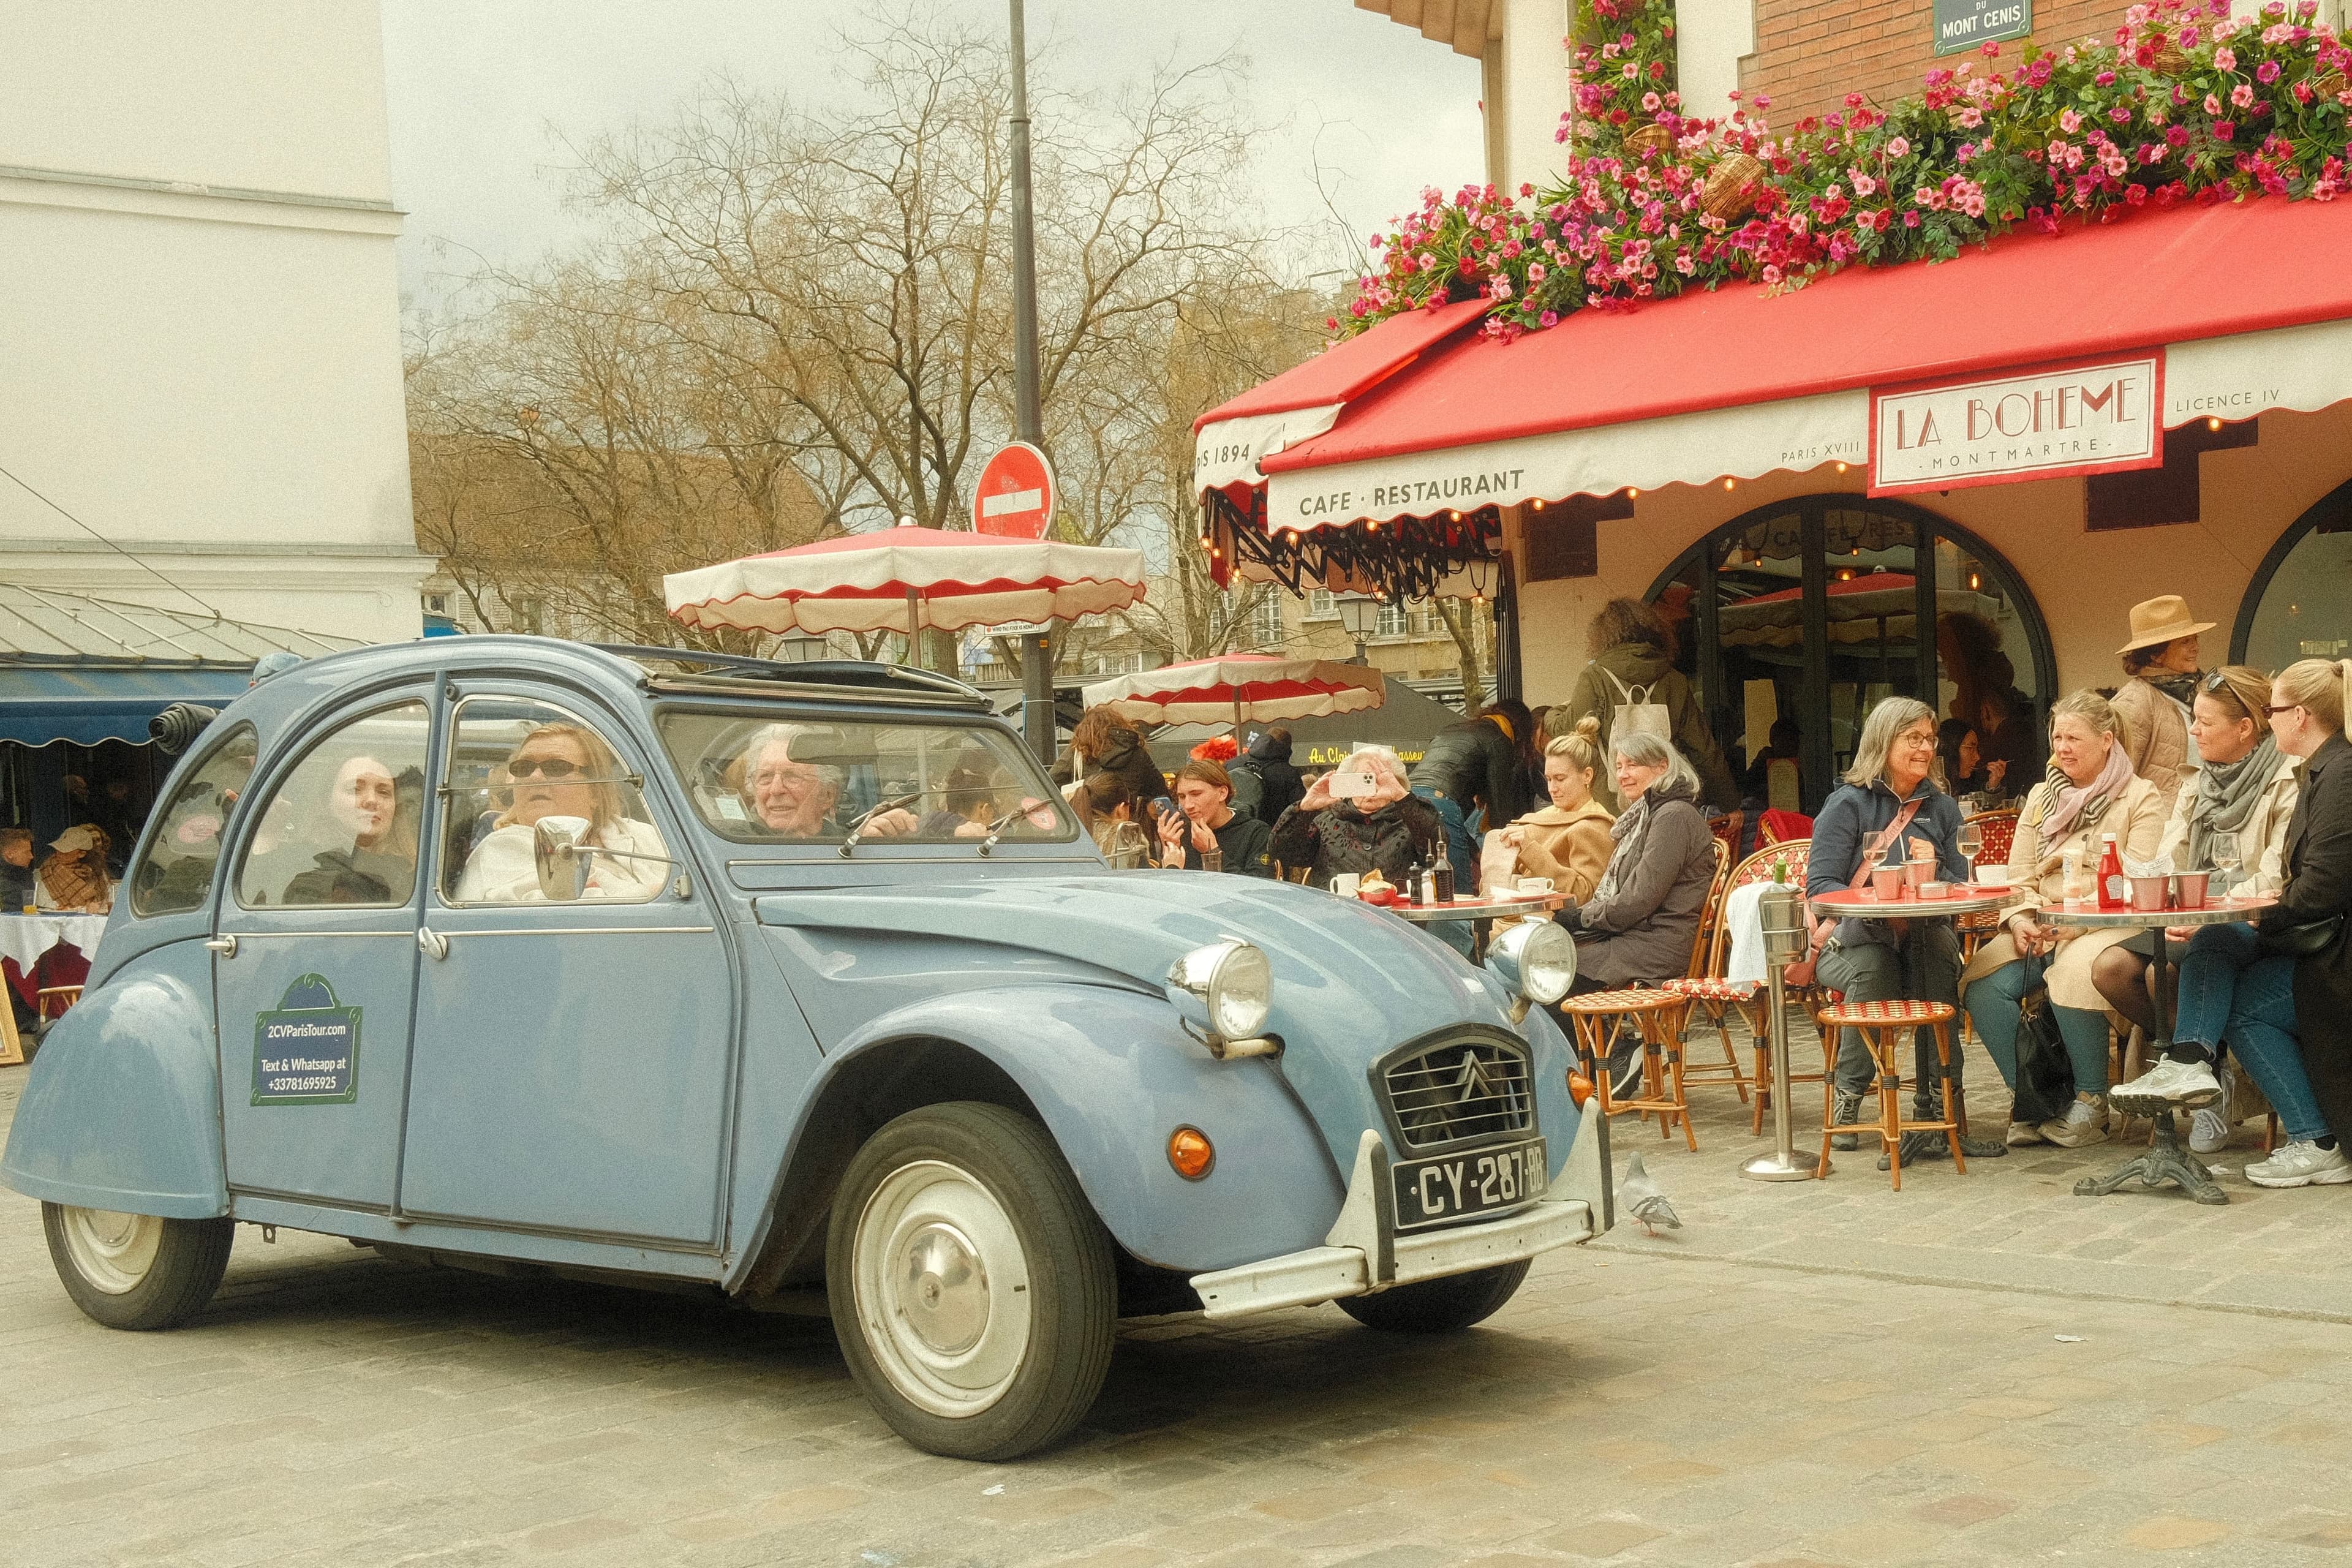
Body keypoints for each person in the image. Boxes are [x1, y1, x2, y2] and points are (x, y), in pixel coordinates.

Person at [2149, 658, 2352, 1187]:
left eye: (2273, 710)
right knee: (2217, 941)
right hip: (2319, 940)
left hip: (2338, 955)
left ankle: (2315, 1139)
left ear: (2300, 716)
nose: (2268, 720)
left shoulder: (2340, 776)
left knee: (2241, 998)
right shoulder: (2325, 769)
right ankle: (2191, 1060)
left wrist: (2259, 915)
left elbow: (2319, 890)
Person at [2097, 666, 2299, 1150]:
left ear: (2245, 728)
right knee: (2110, 969)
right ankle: (2209, 1074)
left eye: (2205, 722)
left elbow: (2274, 874)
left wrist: (2204, 913)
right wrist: (2164, 896)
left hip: (2250, 921)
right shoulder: (2198, 781)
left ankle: (2200, 1080)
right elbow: (2169, 856)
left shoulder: (2285, 780)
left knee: (2159, 975)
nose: (2193, 731)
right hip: (2193, 915)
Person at [1961, 691, 2166, 1148]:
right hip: (2042, 922)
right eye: (2058, 737)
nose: (2063, 748)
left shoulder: (2140, 797)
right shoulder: (2042, 796)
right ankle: (2034, 1098)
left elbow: (2138, 878)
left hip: (2109, 923)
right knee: (1982, 983)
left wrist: (2078, 923)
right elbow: (2018, 875)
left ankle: (2091, 1103)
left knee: (2072, 972)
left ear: (2107, 740)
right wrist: (2019, 921)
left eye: (2074, 737)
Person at [1807, 699, 2000, 1161]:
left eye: (1930, 739)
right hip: (1852, 939)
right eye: (1913, 738)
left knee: (1937, 953)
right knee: (1876, 969)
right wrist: (1880, 892)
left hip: (1924, 932)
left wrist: (1934, 877)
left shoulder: (1944, 808)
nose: (1926, 748)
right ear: (1883, 740)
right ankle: (1850, 1098)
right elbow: (1821, 886)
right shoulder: (1848, 803)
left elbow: (1963, 883)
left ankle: (1941, 1110)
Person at [1553, 729, 1716, 1098]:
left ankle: (1617, 1057)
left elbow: (1640, 898)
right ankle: (1608, 1056)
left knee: (1554, 970)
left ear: (1663, 767)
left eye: (1634, 765)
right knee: (1550, 958)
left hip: (1665, 942)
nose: (1623, 774)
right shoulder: (1647, 814)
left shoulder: (1673, 816)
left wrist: (1580, 918)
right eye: (1620, 765)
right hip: (1643, 933)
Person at [1556, 598, 1738, 813]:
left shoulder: (1595, 677)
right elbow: (1704, 749)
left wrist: (1553, 714)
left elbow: (1570, 730)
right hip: (1664, 800)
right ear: (1654, 632)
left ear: (1602, 637)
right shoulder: (1674, 680)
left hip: (1610, 806)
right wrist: (1730, 804)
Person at [455, 723, 669, 902]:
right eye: (523, 768)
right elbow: (557, 909)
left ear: (595, 790)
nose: (534, 777)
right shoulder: (500, 850)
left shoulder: (646, 835)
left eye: (556, 767)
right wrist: (653, 892)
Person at [1268, 745, 1444, 888]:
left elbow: (1437, 848)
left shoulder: (1410, 819)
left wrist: (1401, 796)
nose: (1371, 786)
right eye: (1364, 778)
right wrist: (1304, 808)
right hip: (1338, 921)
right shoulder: (1326, 822)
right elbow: (1283, 852)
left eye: (1380, 779)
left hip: (1398, 921)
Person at [1410, 699, 1539, 886]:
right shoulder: (1499, 739)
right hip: (1442, 803)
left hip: (1410, 798)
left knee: (1425, 885)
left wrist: (1476, 852)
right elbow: (1500, 811)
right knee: (1457, 889)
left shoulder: (1452, 729)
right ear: (1520, 732)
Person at [1496, 717, 1615, 903]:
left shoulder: (1596, 826)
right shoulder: (1538, 818)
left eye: (1560, 778)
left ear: (1587, 776)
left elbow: (1586, 896)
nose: (1552, 788)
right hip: (1513, 916)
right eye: (1549, 779)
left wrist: (1530, 850)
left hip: (1554, 926)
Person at [2113, 594, 2214, 809]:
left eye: (2195, 639)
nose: (2195, 647)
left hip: (2201, 817)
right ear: (2156, 655)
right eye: (2185, 642)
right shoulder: (2135, 701)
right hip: (2162, 829)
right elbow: (2117, 779)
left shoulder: (2200, 690)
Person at [736, 725, 919, 842]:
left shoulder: (852, 843)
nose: (776, 790)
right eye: (765, 777)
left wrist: (870, 844)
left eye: (792, 777)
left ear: (827, 795)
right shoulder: (731, 842)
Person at [282, 755, 418, 904]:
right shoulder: (302, 867)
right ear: (327, 802)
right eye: (355, 789)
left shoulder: (422, 872)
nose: (372, 800)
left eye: (384, 792)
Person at [1153, 760, 1272, 876]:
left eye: (1196, 794)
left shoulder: (1256, 833)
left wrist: (1213, 852)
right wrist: (1168, 848)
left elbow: (1258, 889)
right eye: (1182, 797)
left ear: (1222, 793)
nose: (1188, 805)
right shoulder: (1181, 832)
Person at [1052, 707, 1169, 818]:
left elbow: (1050, 782)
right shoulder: (1137, 754)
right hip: (1124, 823)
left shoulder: (1079, 752)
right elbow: (1159, 791)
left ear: (1085, 730)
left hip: (1087, 824)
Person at [1072, 771, 1152, 868]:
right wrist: (1172, 865)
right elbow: (1143, 882)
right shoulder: (1128, 841)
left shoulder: (1068, 834)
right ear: (1121, 809)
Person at [1227, 726, 1303, 827]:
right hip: (1272, 833)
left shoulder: (1231, 765)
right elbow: (1300, 809)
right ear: (1287, 748)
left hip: (1235, 830)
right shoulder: (1290, 773)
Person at [34, 825, 111, 913]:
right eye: (58, 850)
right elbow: (43, 906)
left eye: (65, 852)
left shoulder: (98, 874)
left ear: (81, 854)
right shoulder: (45, 872)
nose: (59, 855)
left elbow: (106, 904)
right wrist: (83, 909)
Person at [1936, 718, 2007, 802]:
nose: (1977, 757)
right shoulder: (1930, 786)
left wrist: (1992, 785)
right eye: (1971, 748)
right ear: (1951, 749)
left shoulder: (1971, 782)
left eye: (1977, 749)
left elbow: (1983, 809)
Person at [1, 826, 34, 908]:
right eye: (26, 852)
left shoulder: (24, 874)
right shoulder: (7, 880)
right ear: (10, 854)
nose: (31, 856)